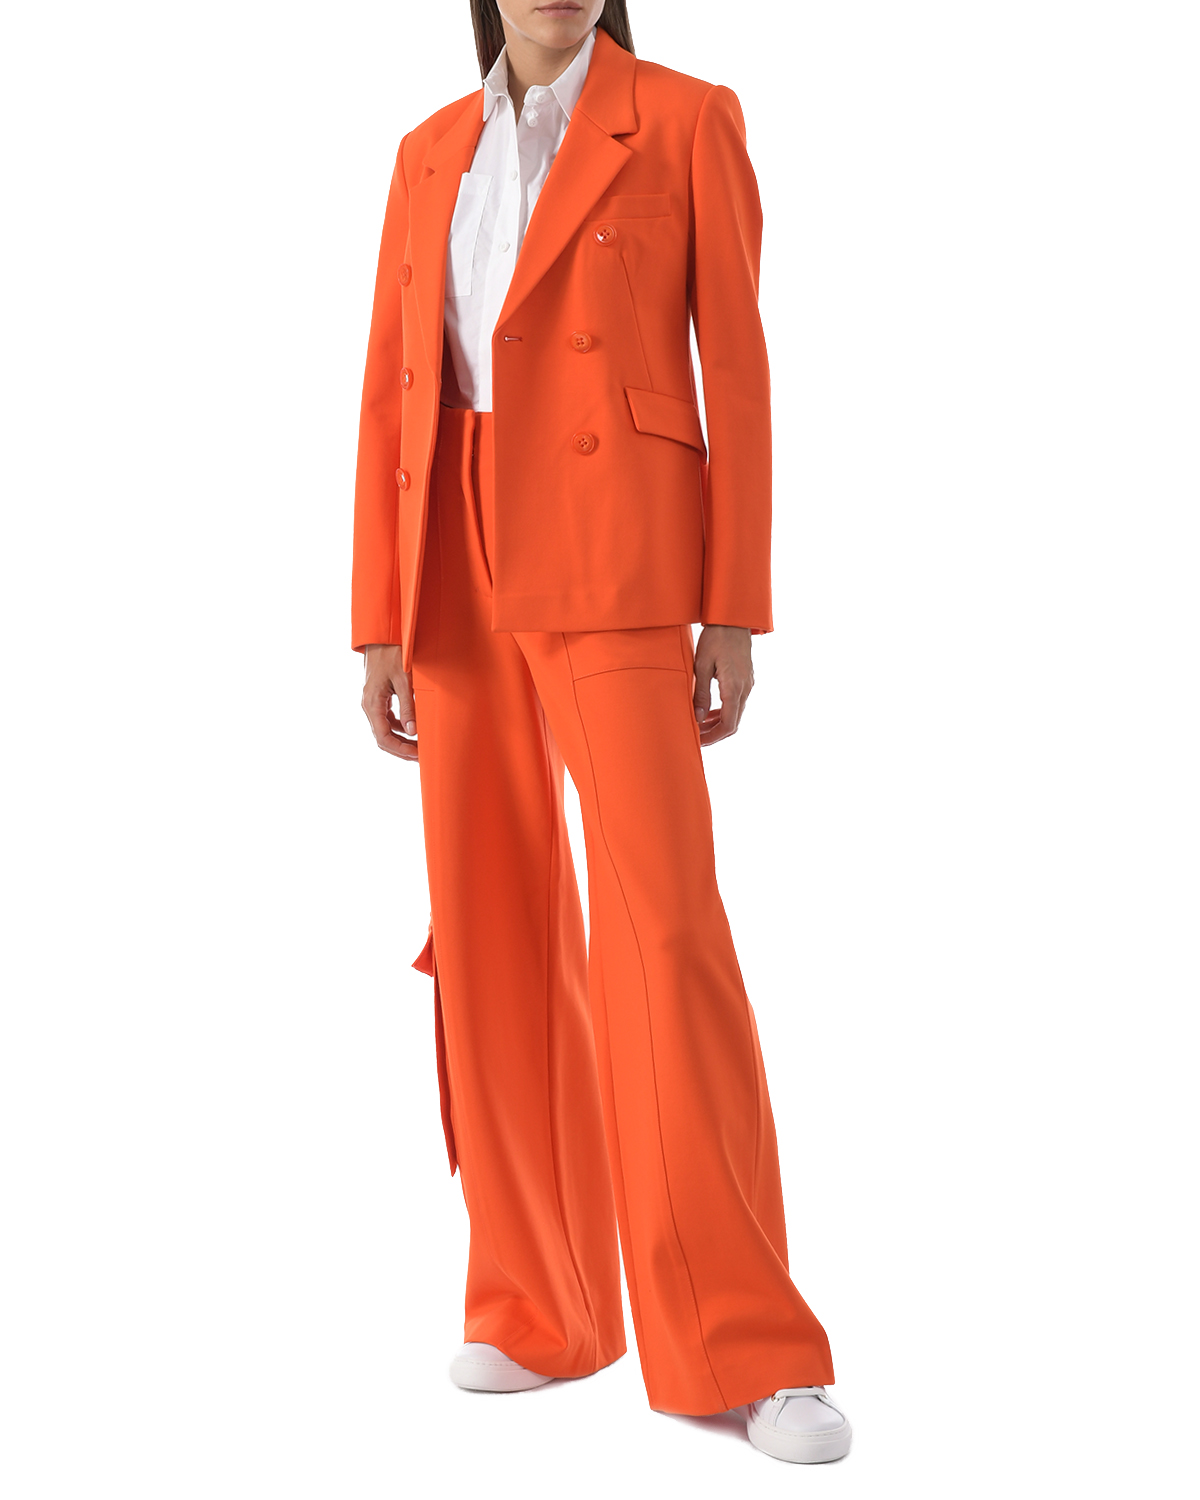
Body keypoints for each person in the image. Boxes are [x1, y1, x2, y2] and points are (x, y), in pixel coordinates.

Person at [351, 0, 852, 1465]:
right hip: (451, 552)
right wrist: (378, 612)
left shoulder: (687, 118)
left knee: (662, 931)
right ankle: (541, 1301)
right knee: (491, 932)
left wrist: (734, 604)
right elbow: (391, 384)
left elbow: (736, 368)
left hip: (617, 549)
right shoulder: (426, 149)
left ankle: (747, 1345)